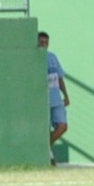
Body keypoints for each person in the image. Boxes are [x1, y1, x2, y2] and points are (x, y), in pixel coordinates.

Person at [39, 31, 69, 164]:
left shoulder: (52, 57)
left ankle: (46, 146)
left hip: (56, 99)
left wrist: (66, 95)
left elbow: (59, 77)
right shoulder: (33, 58)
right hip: (42, 101)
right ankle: (49, 155)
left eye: (46, 42)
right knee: (44, 128)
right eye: (42, 42)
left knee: (63, 126)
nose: (44, 45)